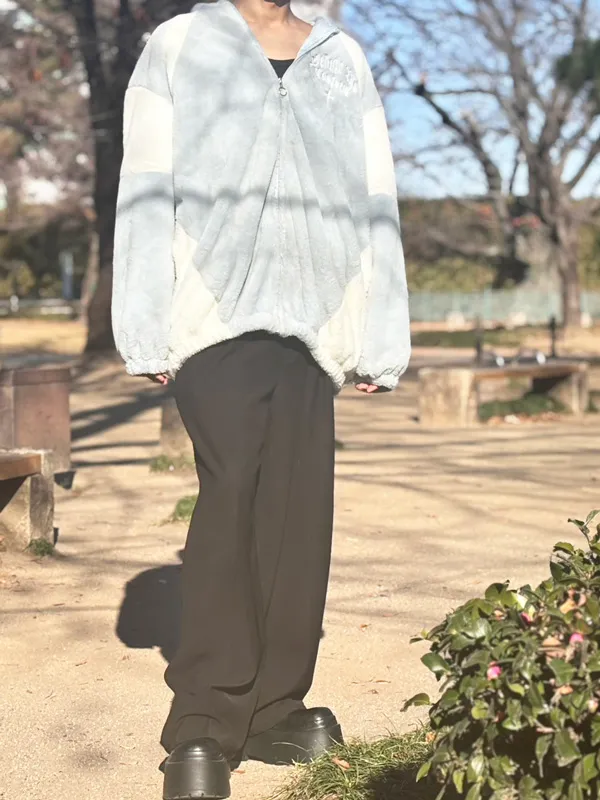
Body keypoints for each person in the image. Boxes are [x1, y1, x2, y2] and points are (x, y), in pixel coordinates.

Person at [112, 0, 410, 797]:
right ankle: (205, 722)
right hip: (212, 314)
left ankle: (276, 707)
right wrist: (143, 322)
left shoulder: (341, 55)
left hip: (317, 319)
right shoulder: (178, 45)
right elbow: (146, 185)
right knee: (233, 494)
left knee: (298, 517)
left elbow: (375, 195)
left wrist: (379, 330)